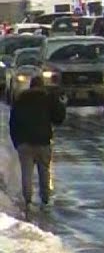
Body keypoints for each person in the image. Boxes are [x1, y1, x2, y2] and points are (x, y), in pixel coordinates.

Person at [9, 76, 66, 210]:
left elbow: (13, 123)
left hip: (24, 143)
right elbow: (58, 118)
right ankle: (45, 200)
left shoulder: (20, 101)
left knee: (26, 173)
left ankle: (27, 201)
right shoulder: (48, 99)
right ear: (42, 86)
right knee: (44, 171)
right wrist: (61, 104)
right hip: (43, 142)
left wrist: (16, 142)